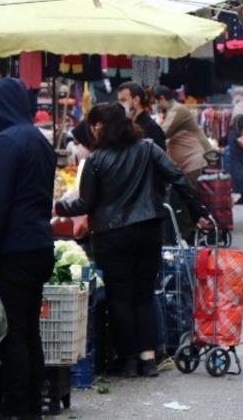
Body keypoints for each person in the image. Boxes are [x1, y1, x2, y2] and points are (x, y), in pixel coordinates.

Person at [56, 103, 209, 378]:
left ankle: (128, 360)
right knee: (144, 294)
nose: (92, 130)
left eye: (94, 125)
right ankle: (148, 359)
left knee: (119, 297)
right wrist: (198, 211)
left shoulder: (96, 160)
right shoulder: (148, 148)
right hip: (148, 231)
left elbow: (85, 204)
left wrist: (56, 207)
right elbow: (177, 178)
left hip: (111, 236)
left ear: (100, 127)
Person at [0, 78, 57, 418]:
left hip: (14, 249)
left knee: (13, 337)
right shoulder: (39, 140)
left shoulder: (6, 143)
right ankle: (32, 406)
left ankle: (16, 407)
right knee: (29, 333)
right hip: (39, 244)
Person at [153, 85, 212, 183]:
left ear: (162, 99)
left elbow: (162, 133)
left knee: (192, 196)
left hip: (195, 162)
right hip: (190, 163)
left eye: (156, 102)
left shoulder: (176, 110)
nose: (157, 106)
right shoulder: (171, 111)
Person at [117, 82, 166, 148]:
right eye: (119, 101)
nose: (119, 105)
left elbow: (158, 156)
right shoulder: (126, 124)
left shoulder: (151, 128)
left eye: (123, 100)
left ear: (136, 100)